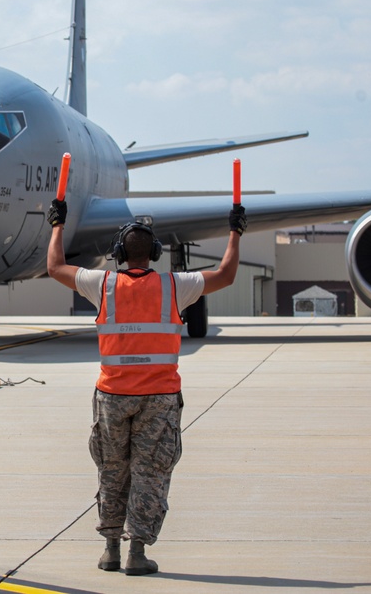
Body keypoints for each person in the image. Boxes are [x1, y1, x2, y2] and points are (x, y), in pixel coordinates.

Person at [45, 198, 247, 576]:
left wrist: (57, 224)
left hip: (112, 398)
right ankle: (136, 552)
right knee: (150, 473)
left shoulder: (102, 283)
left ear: (119, 254)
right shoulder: (175, 287)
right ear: (154, 253)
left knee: (111, 471)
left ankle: (109, 550)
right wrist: (235, 232)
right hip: (159, 399)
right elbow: (226, 274)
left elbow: (55, 266)